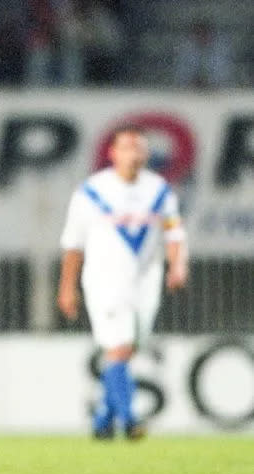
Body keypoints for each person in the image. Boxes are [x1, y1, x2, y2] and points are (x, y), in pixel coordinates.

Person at [57, 125, 188, 440]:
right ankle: (130, 420)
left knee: (129, 350)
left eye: (140, 147)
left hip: (146, 283)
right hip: (104, 281)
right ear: (113, 153)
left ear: (146, 154)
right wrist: (67, 286)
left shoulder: (159, 190)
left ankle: (103, 418)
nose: (134, 153)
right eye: (127, 147)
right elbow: (73, 244)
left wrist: (177, 265)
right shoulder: (91, 192)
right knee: (119, 348)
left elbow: (174, 232)